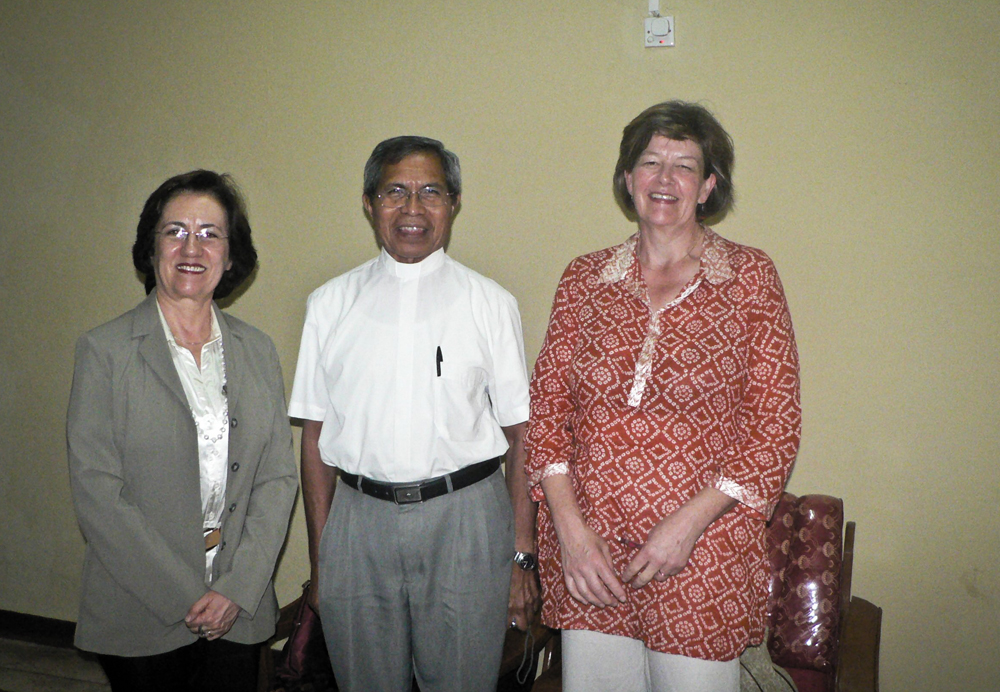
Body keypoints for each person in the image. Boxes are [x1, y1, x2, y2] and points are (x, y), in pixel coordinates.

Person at [525, 101, 801, 692]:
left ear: (708, 185)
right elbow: (545, 416)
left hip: (701, 553)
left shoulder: (750, 277)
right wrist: (571, 535)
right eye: (651, 162)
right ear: (628, 178)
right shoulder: (584, 279)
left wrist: (684, 528)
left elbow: (774, 428)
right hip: (592, 557)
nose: (665, 178)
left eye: (685, 165)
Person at [289, 135, 540, 692]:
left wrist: (521, 555)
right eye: (394, 192)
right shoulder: (329, 304)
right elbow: (314, 437)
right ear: (369, 203)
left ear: (454, 204)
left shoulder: (490, 303)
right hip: (358, 522)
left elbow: (523, 433)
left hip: (466, 520)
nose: (412, 208)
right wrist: (323, 558)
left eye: (431, 192)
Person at [67, 170, 298, 691]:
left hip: (239, 605)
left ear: (231, 255)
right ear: (151, 249)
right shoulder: (104, 351)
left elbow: (277, 479)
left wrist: (236, 589)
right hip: (140, 604)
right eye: (175, 231)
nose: (192, 247)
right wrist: (189, 597)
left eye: (210, 233)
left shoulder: (258, 350)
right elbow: (97, 492)